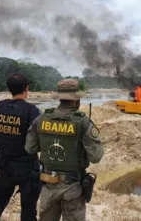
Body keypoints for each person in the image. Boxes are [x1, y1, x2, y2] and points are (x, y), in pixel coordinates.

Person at [25, 78, 104, 221]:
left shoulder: (42, 119)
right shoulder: (83, 121)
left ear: (59, 98)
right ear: (76, 100)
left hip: (48, 185)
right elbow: (96, 156)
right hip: (73, 188)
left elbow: (30, 148)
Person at [0, 73, 42, 221]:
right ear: (27, 89)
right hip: (27, 167)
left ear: (9, 89)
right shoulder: (32, 111)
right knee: (28, 212)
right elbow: (39, 143)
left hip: (4, 166)